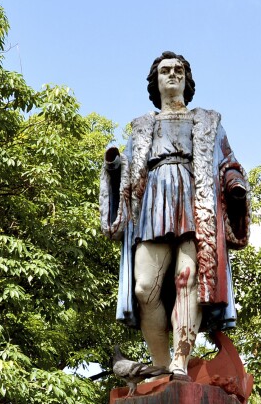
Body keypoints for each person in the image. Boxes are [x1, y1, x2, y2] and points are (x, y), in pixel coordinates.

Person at [102, 52, 250, 379]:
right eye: (165, 71)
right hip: (153, 201)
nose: (172, 75)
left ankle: (180, 362)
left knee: (189, 279)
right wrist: (114, 167)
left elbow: (229, 164)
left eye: (178, 70)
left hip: (194, 201)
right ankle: (160, 362)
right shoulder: (143, 126)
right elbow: (125, 173)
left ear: (187, 78)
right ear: (155, 81)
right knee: (145, 287)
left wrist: (235, 183)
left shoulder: (208, 122)